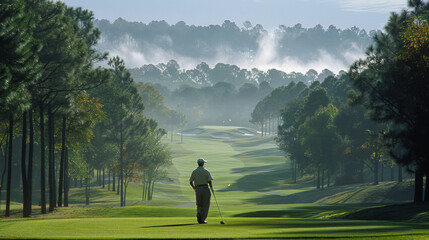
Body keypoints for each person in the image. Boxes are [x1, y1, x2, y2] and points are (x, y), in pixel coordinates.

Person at [189, 158, 214, 224]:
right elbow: (209, 181)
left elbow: (191, 181)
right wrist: (211, 188)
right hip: (205, 188)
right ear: (202, 163)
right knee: (205, 204)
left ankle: (199, 213)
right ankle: (202, 219)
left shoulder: (194, 171)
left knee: (199, 204)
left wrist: (194, 188)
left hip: (198, 189)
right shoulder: (206, 171)